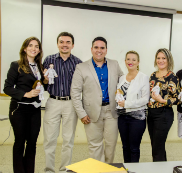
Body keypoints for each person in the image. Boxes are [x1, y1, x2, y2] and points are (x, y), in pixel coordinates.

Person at [71, 36, 123, 163]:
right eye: (96, 47)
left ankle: (108, 169)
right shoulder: (81, 67)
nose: (99, 50)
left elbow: (123, 83)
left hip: (111, 112)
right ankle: (97, 170)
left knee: (111, 145)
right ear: (91, 49)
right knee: (95, 146)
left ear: (106, 50)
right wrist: (81, 113)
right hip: (90, 113)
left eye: (102, 48)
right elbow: (75, 92)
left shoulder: (114, 64)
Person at [4, 37, 47, 173]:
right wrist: (25, 94)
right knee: (20, 142)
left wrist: (45, 80)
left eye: (36, 46)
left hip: (35, 109)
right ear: (24, 48)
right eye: (30, 45)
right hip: (19, 109)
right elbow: (7, 88)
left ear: (39, 50)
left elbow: (41, 86)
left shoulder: (40, 67)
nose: (33, 48)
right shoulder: (15, 65)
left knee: (32, 143)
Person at [43, 32, 82, 173]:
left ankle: (64, 170)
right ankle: (49, 170)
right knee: (49, 140)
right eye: (61, 42)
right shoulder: (48, 60)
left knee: (68, 140)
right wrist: (45, 79)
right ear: (57, 43)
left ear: (72, 45)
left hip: (70, 104)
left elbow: (82, 85)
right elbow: (43, 82)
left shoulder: (78, 63)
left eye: (68, 42)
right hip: (53, 101)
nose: (64, 45)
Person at [116, 51, 150, 163]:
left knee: (134, 148)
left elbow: (145, 99)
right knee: (125, 147)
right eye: (128, 59)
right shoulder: (121, 78)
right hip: (122, 117)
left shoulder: (143, 77)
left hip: (137, 118)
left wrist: (127, 104)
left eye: (134, 59)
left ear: (138, 62)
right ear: (125, 61)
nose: (131, 62)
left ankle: (134, 170)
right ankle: (127, 169)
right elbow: (119, 94)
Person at [147, 48, 180, 162]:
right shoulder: (153, 75)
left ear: (168, 60)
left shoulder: (172, 77)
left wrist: (163, 101)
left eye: (163, 58)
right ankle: (160, 168)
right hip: (151, 114)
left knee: (158, 146)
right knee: (155, 145)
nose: (160, 61)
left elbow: (178, 99)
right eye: (158, 58)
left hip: (164, 114)